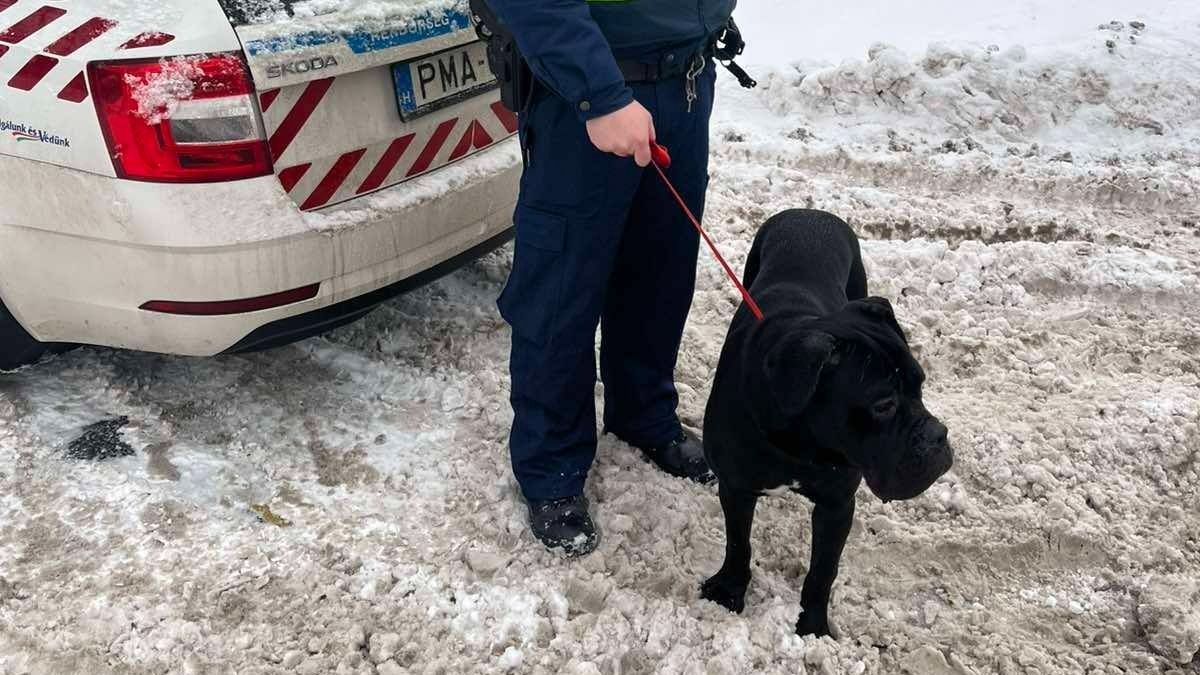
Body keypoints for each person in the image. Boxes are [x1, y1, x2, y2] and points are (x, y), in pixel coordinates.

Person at [486, 0, 737, 556]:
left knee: (661, 271)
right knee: (561, 289)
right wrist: (599, 94)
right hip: (588, 97)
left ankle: (644, 414)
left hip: (685, 79)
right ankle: (551, 464)